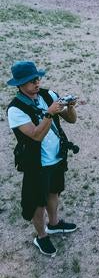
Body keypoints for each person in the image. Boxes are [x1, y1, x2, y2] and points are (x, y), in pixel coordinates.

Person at [6, 61, 78, 257]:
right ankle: (41, 236)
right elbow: (36, 135)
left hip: (56, 157)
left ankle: (54, 224)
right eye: (31, 81)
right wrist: (49, 113)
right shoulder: (15, 110)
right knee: (37, 203)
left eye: (37, 78)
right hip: (35, 164)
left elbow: (71, 119)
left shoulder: (49, 95)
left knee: (54, 192)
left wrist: (70, 107)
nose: (36, 83)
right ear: (20, 85)